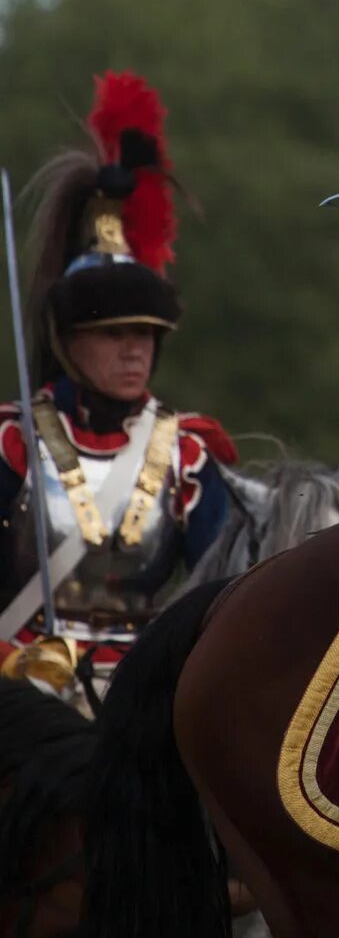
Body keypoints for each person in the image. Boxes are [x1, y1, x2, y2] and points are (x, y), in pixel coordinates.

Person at [0, 72, 236, 704]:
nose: (136, 348)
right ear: (69, 339)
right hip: (20, 692)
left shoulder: (187, 457)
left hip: (144, 707)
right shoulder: (12, 443)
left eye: (147, 333)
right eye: (114, 334)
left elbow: (226, 594)